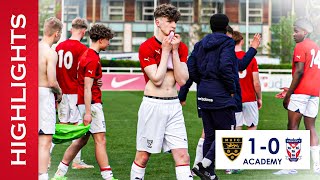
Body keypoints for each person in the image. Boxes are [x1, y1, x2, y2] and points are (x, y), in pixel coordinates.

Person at [130, 4, 193, 180]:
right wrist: (165, 50)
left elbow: (183, 80)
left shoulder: (180, 47)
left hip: (173, 105)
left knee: (183, 156)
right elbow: (156, 79)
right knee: (143, 157)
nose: (173, 25)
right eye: (169, 21)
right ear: (158, 22)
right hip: (153, 104)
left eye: (175, 22)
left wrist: (173, 50)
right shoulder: (146, 47)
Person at [52, 24, 118, 180]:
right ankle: (108, 176)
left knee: (81, 140)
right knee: (100, 140)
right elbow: (87, 87)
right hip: (92, 104)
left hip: (85, 102)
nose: (109, 43)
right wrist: (88, 112)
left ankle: (59, 173)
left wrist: (96, 82)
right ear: (101, 40)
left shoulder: (87, 54)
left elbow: (86, 81)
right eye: (108, 40)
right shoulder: (91, 58)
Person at [273, 19, 320, 175]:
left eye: (296, 31)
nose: (293, 34)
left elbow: (299, 72)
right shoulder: (316, 46)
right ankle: (317, 166)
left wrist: (289, 94)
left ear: (305, 32)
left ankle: (290, 166)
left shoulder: (301, 46)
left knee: (292, 127)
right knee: (311, 127)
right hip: (315, 93)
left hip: (301, 93)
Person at [52, 17, 94, 169]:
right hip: (76, 92)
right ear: (84, 31)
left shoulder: (59, 47)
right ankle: (76, 161)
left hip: (61, 92)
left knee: (60, 125)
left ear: (71, 29)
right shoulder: (83, 50)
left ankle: (47, 157)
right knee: (77, 126)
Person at [38, 17, 63, 180]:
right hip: (44, 95)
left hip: (27, 94)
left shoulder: (30, 49)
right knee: (45, 140)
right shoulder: (50, 53)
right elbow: (52, 81)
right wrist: (59, 92)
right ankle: (42, 176)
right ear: (57, 33)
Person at [233, 31, 262, 131]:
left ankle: (238, 147)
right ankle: (249, 147)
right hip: (249, 99)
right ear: (242, 41)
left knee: (237, 127)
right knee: (252, 126)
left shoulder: (228, 58)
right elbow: (256, 83)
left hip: (234, 99)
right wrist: (259, 98)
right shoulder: (250, 58)